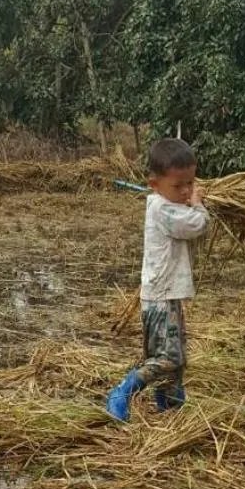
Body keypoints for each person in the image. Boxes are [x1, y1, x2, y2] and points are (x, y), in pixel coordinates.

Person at [106, 137, 209, 422]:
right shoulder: (163, 210)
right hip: (161, 297)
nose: (187, 190)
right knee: (169, 358)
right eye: (179, 186)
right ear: (154, 184)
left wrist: (187, 200)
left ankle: (171, 409)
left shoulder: (166, 203)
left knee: (174, 360)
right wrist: (199, 205)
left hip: (164, 295)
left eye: (191, 183)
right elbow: (196, 225)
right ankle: (122, 391)